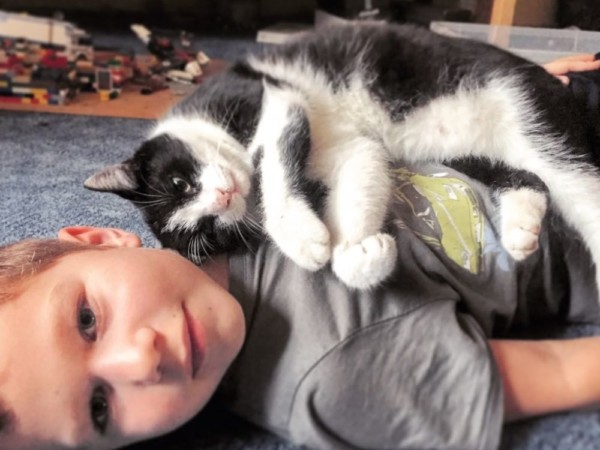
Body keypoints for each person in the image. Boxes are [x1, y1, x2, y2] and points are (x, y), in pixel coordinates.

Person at [2, 55, 600, 450]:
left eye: (87, 319)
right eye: (100, 408)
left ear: (101, 238)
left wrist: (494, 86)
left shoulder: (217, 177)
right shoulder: (340, 376)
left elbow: (346, 106)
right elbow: (558, 369)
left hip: (516, 121)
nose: (140, 362)